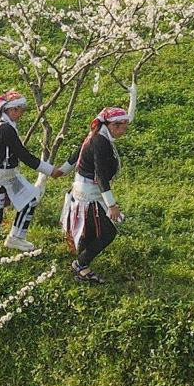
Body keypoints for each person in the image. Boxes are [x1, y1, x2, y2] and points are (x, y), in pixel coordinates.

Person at [0, 91, 70, 267]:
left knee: (31, 199)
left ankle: (16, 237)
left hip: (8, 175)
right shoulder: (6, 128)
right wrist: (50, 170)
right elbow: (23, 154)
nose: (22, 113)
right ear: (12, 110)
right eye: (20, 110)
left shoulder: (4, 124)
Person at [60, 105, 131, 285]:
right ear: (113, 126)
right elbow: (100, 176)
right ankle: (80, 264)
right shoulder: (100, 141)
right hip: (89, 195)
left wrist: (59, 171)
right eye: (123, 126)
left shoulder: (95, 135)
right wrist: (111, 205)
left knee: (90, 229)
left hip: (83, 190)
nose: (125, 130)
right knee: (108, 233)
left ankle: (82, 264)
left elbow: (75, 157)